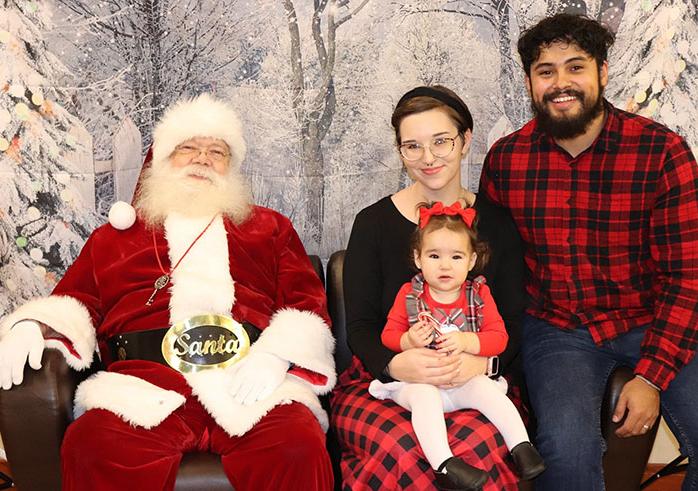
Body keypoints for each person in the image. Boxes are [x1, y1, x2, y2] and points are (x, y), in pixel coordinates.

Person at [0, 94, 336, 491]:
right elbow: (76, 301)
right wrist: (34, 325)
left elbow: (305, 302)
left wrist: (280, 354)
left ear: (232, 167)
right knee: (92, 446)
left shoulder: (270, 228)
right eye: (188, 148)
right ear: (161, 159)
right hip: (142, 387)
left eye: (217, 151)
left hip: (250, 384)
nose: (203, 158)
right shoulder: (115, 238)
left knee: (296, 444)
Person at [479, 13, 698, 490]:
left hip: (651, 316)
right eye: (546, 71)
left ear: (602, 72)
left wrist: (653, 377)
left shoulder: (661, 152)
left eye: (575, 67)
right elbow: (491, 269)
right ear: (529, 81)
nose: (562, 83)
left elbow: (689, 278)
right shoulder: (506, 160)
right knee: (565, 449)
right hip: (557, 326)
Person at [331, 85, 527, 490]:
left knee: (479, 447)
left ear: (465, 141)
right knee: (403, 447)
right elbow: (362, 326)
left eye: (441, 141)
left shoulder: (497, 224)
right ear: (401, 152)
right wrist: (393, 364)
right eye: (413, 146)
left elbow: (513, 322)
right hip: (387, 383)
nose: (429, 157)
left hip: (476, 379)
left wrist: (484, 364)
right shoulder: (372, 223)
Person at [369, 200, 545, 490]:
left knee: (489, 391)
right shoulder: (409, 294)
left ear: (472, 261)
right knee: (425, 397)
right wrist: (408, 339)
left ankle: (521, 446)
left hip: (461, 379)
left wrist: (468, 340)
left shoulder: (479, 293)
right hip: (419, 382)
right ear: (418, 258)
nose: (445, 265)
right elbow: (387, 336)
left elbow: (499, 339)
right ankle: (444, 464)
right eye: (434, 256)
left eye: (456, 257)